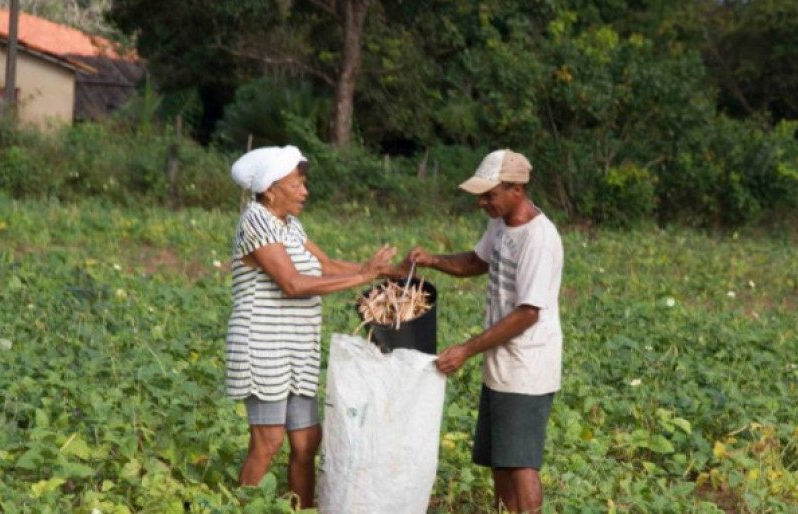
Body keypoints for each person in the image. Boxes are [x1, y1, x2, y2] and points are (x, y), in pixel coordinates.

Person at [225, 145, 398, 509]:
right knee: (268, 441)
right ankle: (239, 506)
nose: (305, 191)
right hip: (264, 344)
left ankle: (302, 508)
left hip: (297, 349)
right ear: (271, 188)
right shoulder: (255, 219)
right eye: (297, 184)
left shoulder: (290, 224)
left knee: (306, 442)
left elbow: (325, 265)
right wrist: (362, 276)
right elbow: (292, 282)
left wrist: (372, 271)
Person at [405, 149, 563, 513]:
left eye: (489, 194)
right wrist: (432, 260)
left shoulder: (538, 239)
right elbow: (477, 261)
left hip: (527, 366)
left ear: (516, 189)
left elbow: (527, 313)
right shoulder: (502, 223)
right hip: (501, 363)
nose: (481, 202)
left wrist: (466, 348)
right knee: (501, 459)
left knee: (521, 460)